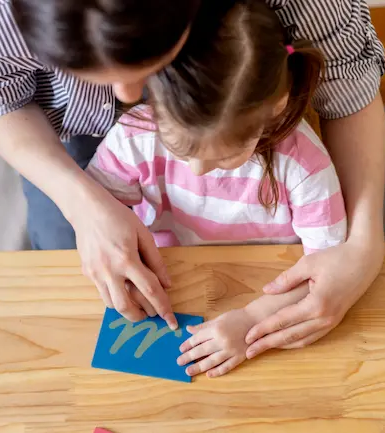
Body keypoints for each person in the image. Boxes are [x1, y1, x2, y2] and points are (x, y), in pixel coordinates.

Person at [0, 0, 385, 351]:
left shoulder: (296, 162)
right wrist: (80, 202)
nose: (131, 97)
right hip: (73, 139)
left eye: (144, 64)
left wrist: (366, 245)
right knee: (72, 279)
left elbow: (351, 86)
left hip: (218, 116)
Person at [85, 0, 347, 376]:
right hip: (173, 285)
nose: (198, 169)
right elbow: (99, 220)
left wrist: (251, 320)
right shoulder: (133, 137)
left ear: (275, 107)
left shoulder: (304, 166)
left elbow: (327, 267)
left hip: (267, 297)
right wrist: (122, 266)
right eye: (180, 148)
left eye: (225, 156)